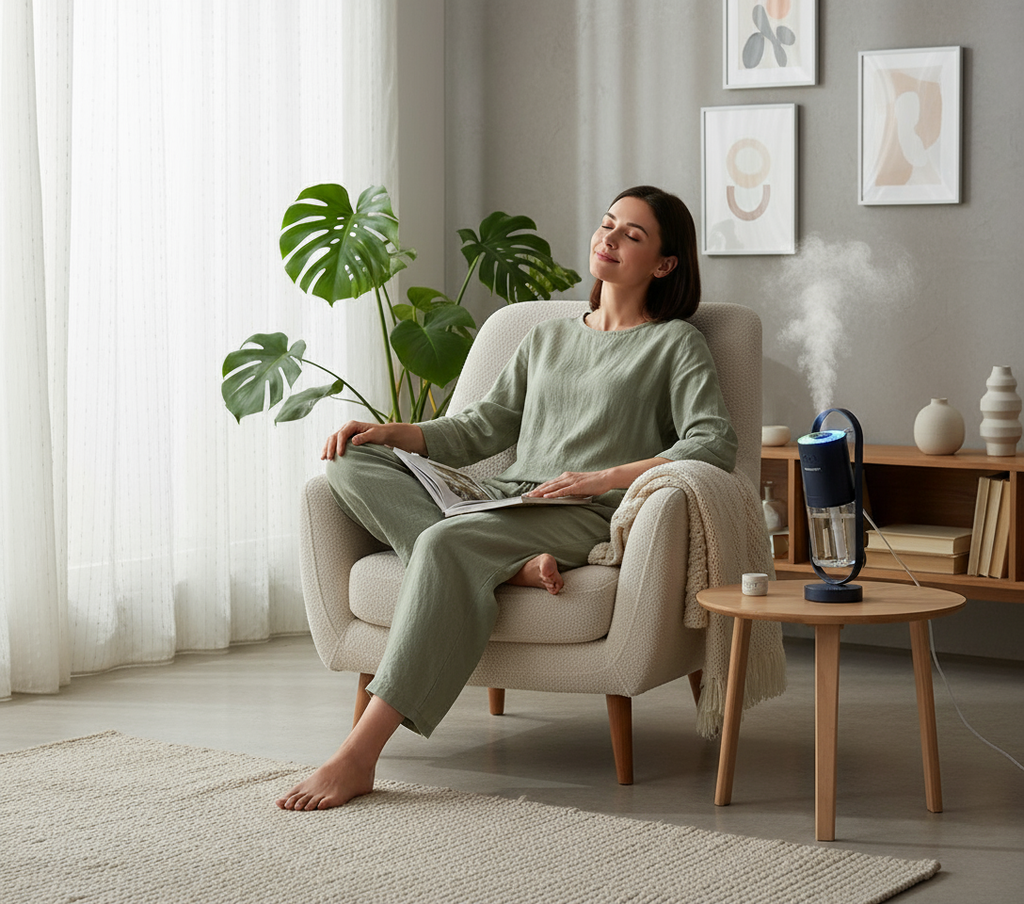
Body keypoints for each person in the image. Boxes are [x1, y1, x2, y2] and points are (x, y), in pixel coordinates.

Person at [276, 186, 737, 811]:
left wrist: (603, 479)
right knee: (350, 460)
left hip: (580, 514)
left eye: (633, 234)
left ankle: (360, 754)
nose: (609, 239)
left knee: (443, 541)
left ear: (664, 263)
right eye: (607, 225)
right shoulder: (548, 337)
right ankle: (508, 568)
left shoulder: (675, 344)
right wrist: (390, 433)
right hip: (502, 498)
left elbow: (712, 444)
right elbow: (480, 428)